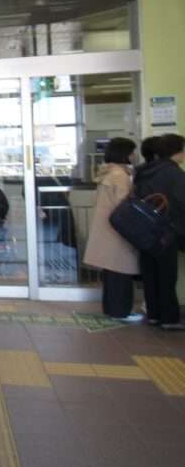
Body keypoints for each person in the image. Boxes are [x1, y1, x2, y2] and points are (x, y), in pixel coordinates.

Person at [83, 138, 143, 322]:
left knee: (111, 273)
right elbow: (125, 205)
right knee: (121, 272)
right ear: (126, 154)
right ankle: (121, 312)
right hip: (118, 231)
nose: (135, 155)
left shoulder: (107, 173)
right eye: (133, 151)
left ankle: (111, 309)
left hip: (106, 230)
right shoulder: (120, 176)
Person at [134, 134, 185, 330]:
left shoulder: (143, 171)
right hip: (167, 230)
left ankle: (154, 315)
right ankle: (169, 318)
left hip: (144, 229)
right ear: (176, 151)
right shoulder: (174, 173)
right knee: (167, 275)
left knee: (150, 273)